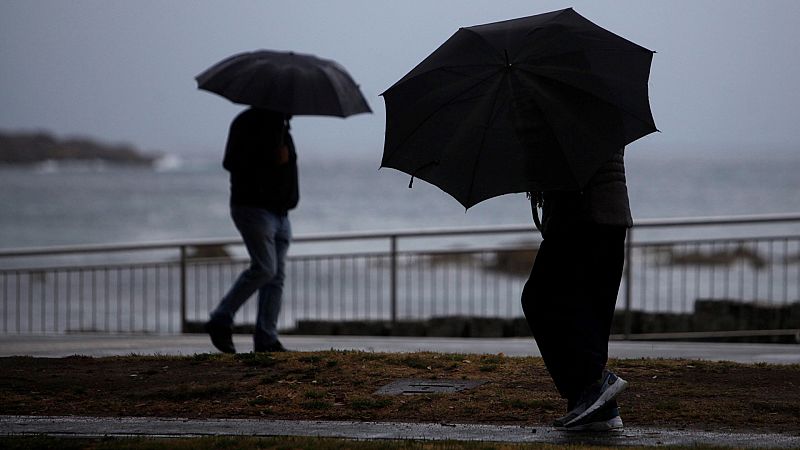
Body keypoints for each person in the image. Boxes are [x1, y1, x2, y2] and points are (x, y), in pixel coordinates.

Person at [521, 149, 632, 432]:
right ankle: (599, 409)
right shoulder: (593, 114)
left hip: (581, 214)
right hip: (607, 213)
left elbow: (565, 159)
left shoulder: (564, 110)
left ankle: (595, 386)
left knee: (541, 300)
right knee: (586, 313)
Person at [204, 107, 298, 354]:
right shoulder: (247, 122)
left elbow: (286, 169)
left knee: (275, 276)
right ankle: (221, 318)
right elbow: (232, 162)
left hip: (280, 212)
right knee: (265, 268)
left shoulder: (282, 126)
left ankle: (266, 338)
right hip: (254, 208)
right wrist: (271, 157)